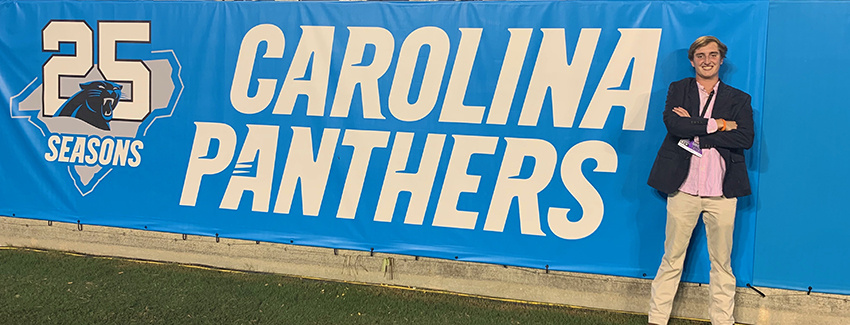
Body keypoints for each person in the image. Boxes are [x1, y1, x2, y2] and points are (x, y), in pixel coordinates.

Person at [646, 36, 754, 325]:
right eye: (701, 55)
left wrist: (694, 129)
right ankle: (657, 320)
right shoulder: (678, 89)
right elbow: (674, 125)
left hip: (722, 192)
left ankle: (723, 321)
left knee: (722, 264)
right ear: (692, 60)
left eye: (713, 55)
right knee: (671, 260)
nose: (707, 60)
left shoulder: (739, 99)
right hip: (683, 190)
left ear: (721, 60)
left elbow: (744, 137)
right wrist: (719, 124)